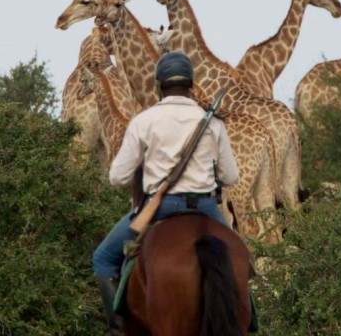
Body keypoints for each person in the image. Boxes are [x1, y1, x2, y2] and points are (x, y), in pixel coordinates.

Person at [92, 51, 239, 335]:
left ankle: (117, 329)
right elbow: (230, 176)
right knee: (241, 259)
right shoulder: (213, 122)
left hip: (158, 207)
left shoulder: (144, 121)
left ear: (158, 86)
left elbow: (117, 177)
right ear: (191, 85)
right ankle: (249, 322)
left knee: (103, 259)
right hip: (206, 207)